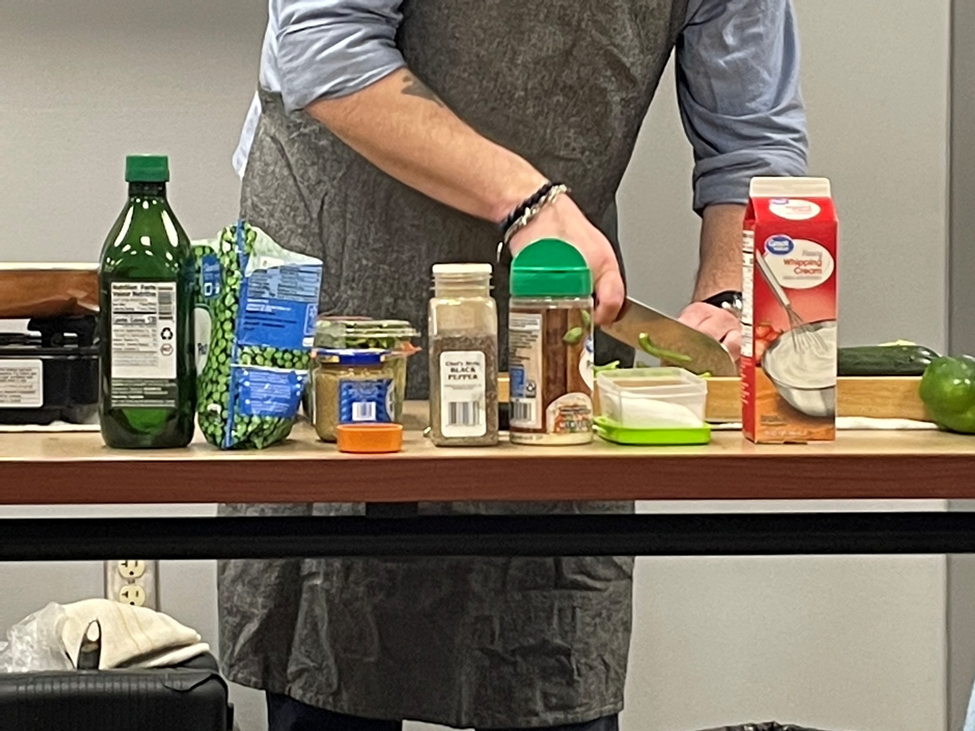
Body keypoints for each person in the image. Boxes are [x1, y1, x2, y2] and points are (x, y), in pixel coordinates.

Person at [219, 1, 808, 730]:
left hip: (551, 299)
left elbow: (752, 140)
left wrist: (730, 295)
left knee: (548, 654)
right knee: (333, 639)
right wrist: (529, 203)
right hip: (350, 282)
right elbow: (324, 44)